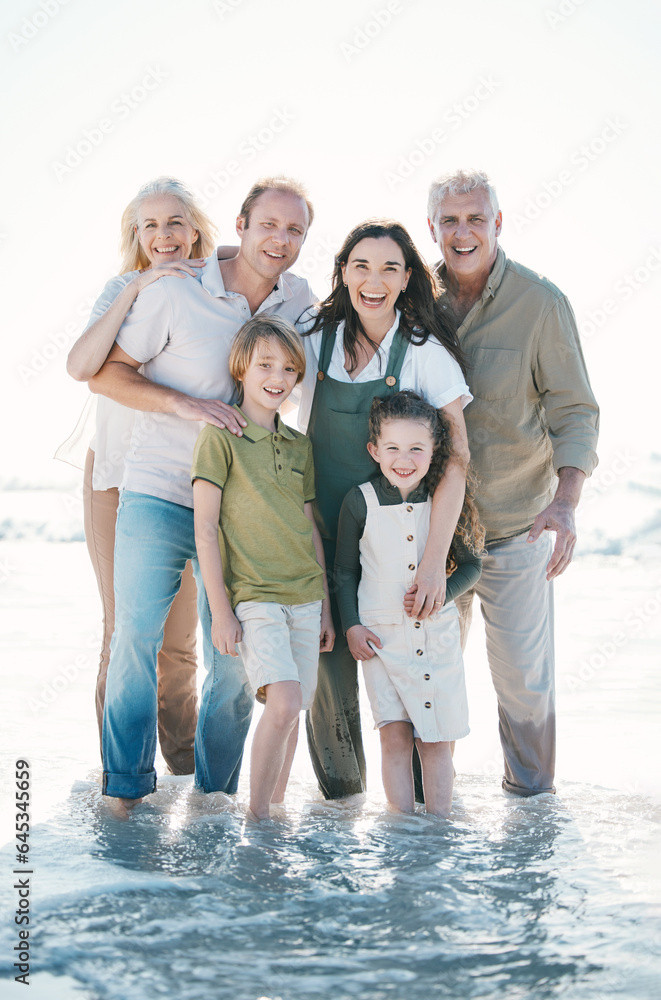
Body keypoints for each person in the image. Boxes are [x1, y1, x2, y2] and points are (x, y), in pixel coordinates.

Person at [87, 176, 317, 817]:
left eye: (295, 230)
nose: (280, 239)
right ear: (240, 225)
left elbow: (316, 385)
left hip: (240, 506)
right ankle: (124, 789)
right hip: (157, 486)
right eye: (268, 224)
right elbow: (105, 373)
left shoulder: (298, 301)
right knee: (136, 637)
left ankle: (215, 795)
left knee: (236, 654)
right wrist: (185, 404)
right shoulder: (177, 290)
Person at [426, 168, 599, 796]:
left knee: (525, 683)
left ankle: (532, 816)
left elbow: (575, 410)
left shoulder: (540, 303)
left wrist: (567, 502)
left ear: (498, 223)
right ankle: (423, 822)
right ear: (433, 229)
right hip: (432, 537)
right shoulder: (411, 297)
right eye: (450, 220)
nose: (463, 231)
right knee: (426, 679)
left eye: (476, 218)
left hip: (515, 526)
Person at [294, 219, 472, 801]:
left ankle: (416, 831)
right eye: (361, 265)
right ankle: (340, 826)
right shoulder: (313, 338)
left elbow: (457, 458)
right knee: (331, 675)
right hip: (323, 534)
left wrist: (433, 563)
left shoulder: (422, 352)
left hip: (400, 545)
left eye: (390, 267)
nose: (374, 279)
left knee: (407, 696)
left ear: (407, 278)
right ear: (343, 272)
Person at [61, 176, 217, 774]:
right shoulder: (123, 287)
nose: (163, 236)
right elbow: (81, 364)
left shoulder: (213, 289)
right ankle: (121, 773)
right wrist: (139, 285)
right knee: (125, 629)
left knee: (181, 641)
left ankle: (181, 768)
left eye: (174, 222)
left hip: (184, 478)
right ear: (136, 236)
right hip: (116, 477)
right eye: (149, 226)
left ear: (195, 226)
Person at [192, 316, 334, 820]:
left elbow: (308, 525)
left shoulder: (299, 445)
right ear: (242, 368)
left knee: (292, 711)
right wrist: (221, 610)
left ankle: (274, 810)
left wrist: (326, 607)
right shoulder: (220, 436)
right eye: (266, 364)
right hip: (255, 595)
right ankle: (256, 818)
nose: (278, 376)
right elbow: (206, 529)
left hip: (305, 597)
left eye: (289, 368)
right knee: (284, 700)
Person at [335, 391, 484, 816]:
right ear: (374, 450)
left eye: (417, 448)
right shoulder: (357, 501)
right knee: (394, 736)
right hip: (380, 640)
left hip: (436, 639)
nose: (405, 458)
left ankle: (439, 827)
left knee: (436, 738)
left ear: (434, 450)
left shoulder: (445, 499)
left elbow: (472, 566)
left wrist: (439, 596)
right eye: (393, 448)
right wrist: (351, 626)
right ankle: (400, 825)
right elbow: (344, 572)